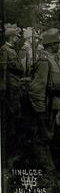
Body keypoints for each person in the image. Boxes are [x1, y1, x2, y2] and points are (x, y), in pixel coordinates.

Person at [28, 28, 60, 171]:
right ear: (49, 45)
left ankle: (48, 165)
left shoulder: (53, 60)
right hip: (46, 105)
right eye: (56, 44)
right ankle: (45, 167)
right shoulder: (44, 62)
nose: (58, 46)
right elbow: (37, 89)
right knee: (43, 136)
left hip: (53, 103)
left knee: (49, 135)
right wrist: (40, 110)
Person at [0, 26, 25, 162]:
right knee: (12, 115)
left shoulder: (10, 50)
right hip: (10, 87)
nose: (17, 38)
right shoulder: (5, 50)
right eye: (16, 36)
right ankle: (11, 150)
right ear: (11, 37)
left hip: (14, 85)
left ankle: (13, 146)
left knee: (15, 114)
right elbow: (6, 69)